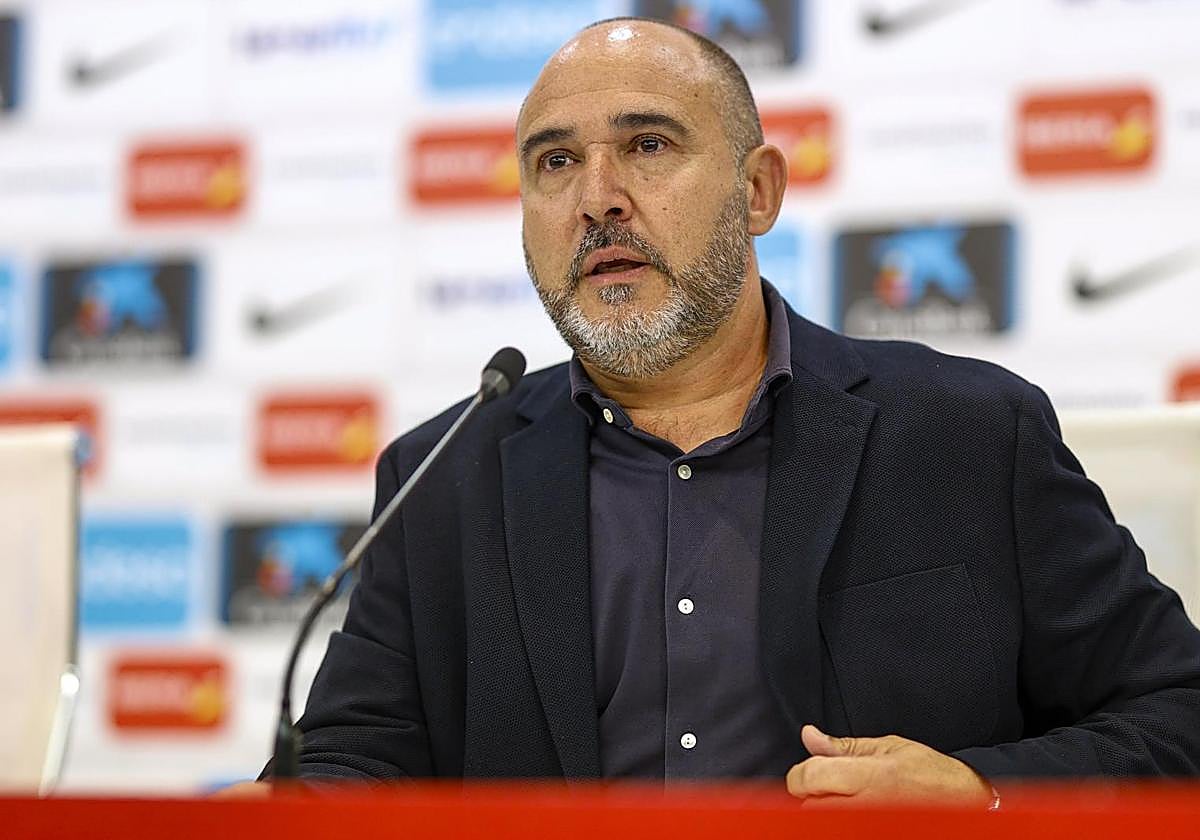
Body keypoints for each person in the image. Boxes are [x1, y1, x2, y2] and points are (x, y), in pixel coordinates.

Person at [261, 17, 1200, 803]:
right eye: (555, 162)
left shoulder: (967, 434)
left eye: (648, 146)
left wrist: (983, 792)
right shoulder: (443, 475)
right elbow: (355, 758)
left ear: (758, 192)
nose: (598, 200)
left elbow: (1176, 711)